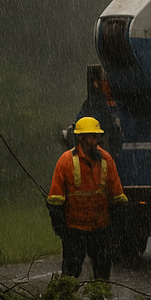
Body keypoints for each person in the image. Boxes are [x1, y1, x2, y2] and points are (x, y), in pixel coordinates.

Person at [46, 116, 128, 281]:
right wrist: (62, 229)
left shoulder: (107, 160)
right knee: (71, 272)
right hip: (75, 230)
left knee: (103, 270)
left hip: (100, 228)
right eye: (91, 136)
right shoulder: (65, 161)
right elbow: (55, 200)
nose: (95, 140)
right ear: (80, 138)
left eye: (97, 136)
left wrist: (116, 227)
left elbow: (118, 197)